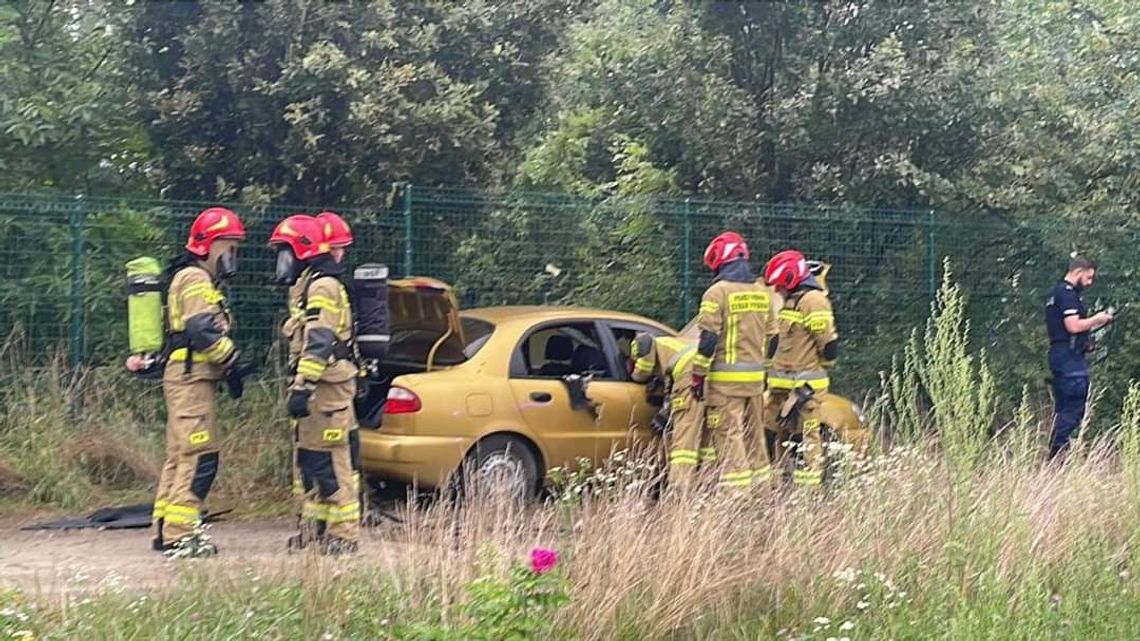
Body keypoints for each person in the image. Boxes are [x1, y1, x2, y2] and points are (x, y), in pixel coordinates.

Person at [153, 207, 253, 555]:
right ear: (209, 245)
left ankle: (165, 528)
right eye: (230, 246)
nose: (232, 255)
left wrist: (226, 371)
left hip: (189, 378)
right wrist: (234, 360)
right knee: (200, 457)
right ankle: (181, 535)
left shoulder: (196, 280)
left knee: (180, 455)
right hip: (191, 380)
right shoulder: (195, 279)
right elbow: (200, 329)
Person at [273, 215, 362, 554]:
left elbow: (320, 340)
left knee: (332, 460)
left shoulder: (322, 286)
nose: (282, 261)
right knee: (310, 460)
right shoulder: (309, 283)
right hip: (316, 388)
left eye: (285, 252)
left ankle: (343, 533)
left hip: (326, 390)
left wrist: (303, 385)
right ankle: (315, 527)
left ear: (303, 252)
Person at [691, 232, 774, 490]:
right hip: (755, 383)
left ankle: (737, 499)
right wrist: (765, 372)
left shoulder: (717, 293)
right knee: (754, 437)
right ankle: (763, 492)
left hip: (725, 385)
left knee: (730, 437)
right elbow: (773, 339)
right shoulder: (763, 293)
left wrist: (698, 375)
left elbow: (708, 340)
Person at [763, 249, 838, 488]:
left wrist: (815, 367)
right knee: (771, 436)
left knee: (806, 442)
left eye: (779, 285)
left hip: (804, 391)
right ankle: (778, 488)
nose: (776, 290)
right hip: (781, 391)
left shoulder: (813, 301)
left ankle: (808, 496)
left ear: (790, 279)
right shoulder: (792, 301)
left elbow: (827, 345)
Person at [315, 211, 363, 514]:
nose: (340, 254)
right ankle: (317, 520)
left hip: (333, 380)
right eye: (335, 248)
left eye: (341, 248)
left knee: (337, 453)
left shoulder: (328, 286)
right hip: (327, 380)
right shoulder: (319, 284)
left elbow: (321, 337)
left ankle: (343, 525)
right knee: (318, 455)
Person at [1045, 255, 1112, 457]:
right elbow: (1072, 326)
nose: (1090, 283)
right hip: (1069, 359)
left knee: (1064, 410)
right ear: (1078, 272)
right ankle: (1058, 457)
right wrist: (1097, 319)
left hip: (1062, 354)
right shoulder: (1067, 294)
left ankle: (1057, 455)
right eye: (1089, 278)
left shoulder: (1055, 293)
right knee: (1073, 410)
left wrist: (1086, 343)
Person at [629, 332, 707, 493]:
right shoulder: (669, 345)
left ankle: (678, 488)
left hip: (689, 373)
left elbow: (642, 373)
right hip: (707, 371)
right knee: (707, 433)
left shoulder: (643, 343)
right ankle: (708, 481)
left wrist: (632, 371)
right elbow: (670, 385)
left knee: (685, 434)